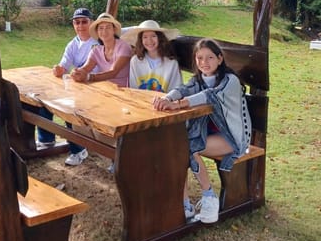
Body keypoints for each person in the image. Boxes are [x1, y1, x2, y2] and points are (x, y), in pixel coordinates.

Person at [153, 38, 252, 224]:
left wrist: (178, 105)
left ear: (220, 59)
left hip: (232, 136)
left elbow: (210, 95)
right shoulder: (198, 80)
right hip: (208, 134)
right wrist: (166, 98)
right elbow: (183, 89)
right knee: (179, 149)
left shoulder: (230, 81)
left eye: (210, 58)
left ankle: (210, 199)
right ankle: (184, 204)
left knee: (188, 147)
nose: (204, 63)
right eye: (199, 58)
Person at [37, 7, 98, 167]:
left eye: (84, 22)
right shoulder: (73, 43)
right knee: (43, 100)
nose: (80, 26)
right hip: (76, 85)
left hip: (94, 86)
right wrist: (59, 69)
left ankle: (79, 149)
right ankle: (46, 139)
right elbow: (65, 64)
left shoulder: (96, 43)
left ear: (91, 23)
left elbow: (93, 69)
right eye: (77, 22)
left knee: (70, 110)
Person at [71, 12, 132, 87]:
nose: (104, 31)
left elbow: (113, 72)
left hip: (124, 91)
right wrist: (77, 72)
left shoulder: (123, 46)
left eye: (108, 27)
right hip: (104, 89)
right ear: (97, 32)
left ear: (114, 30)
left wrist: (89, 77)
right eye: (101, 28)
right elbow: (86, 68)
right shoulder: (96, 50)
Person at [121, 20, 182, 93]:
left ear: (160, 38)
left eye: (153, 36)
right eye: (145, 37)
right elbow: (133, 88)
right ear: (141, 40)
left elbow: (176, 90)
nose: (149, 40)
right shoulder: (135, 61)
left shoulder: (172, 64)